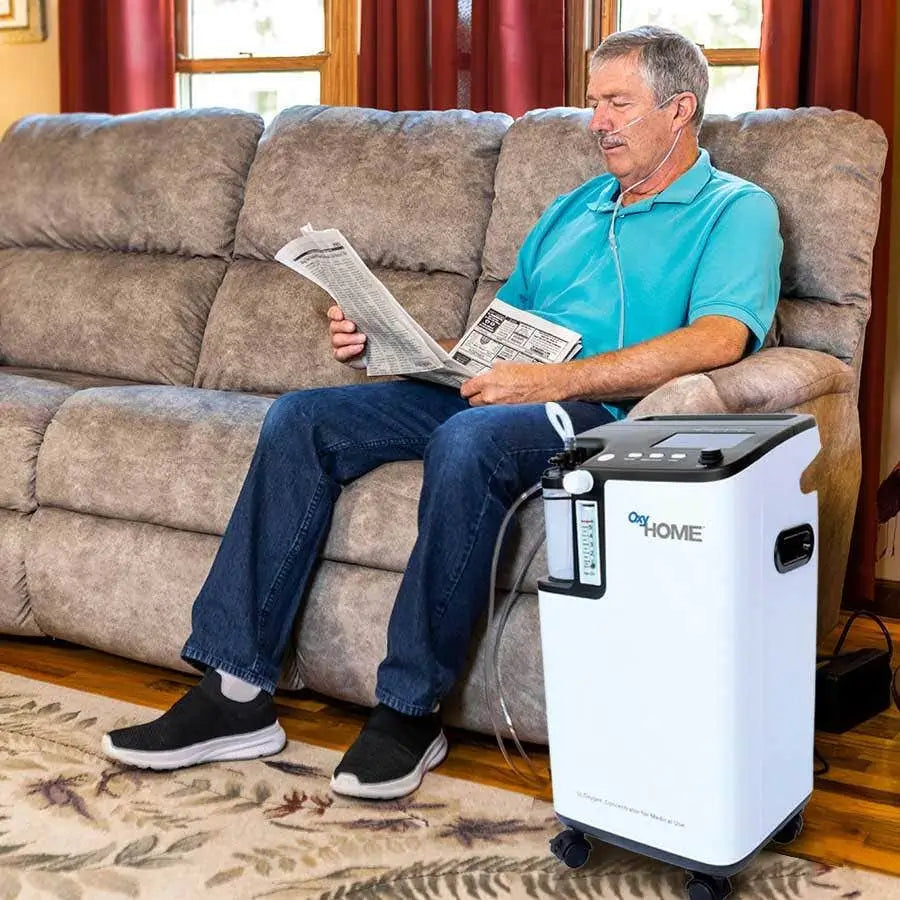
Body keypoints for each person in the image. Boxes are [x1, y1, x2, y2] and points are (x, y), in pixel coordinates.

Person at [102, 25, 782, 799]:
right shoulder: (577, 208)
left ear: (680, 109)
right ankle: (234, 694)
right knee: (303, 418)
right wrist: (391, 345)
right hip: (510, 386)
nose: (597, 121)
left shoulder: (736, 210)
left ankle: (409, 709)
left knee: (469, 440)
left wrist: (550, 384)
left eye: (617, 103)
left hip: (601, 408)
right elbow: (501, 336)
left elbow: (721, 338)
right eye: (594, 102)